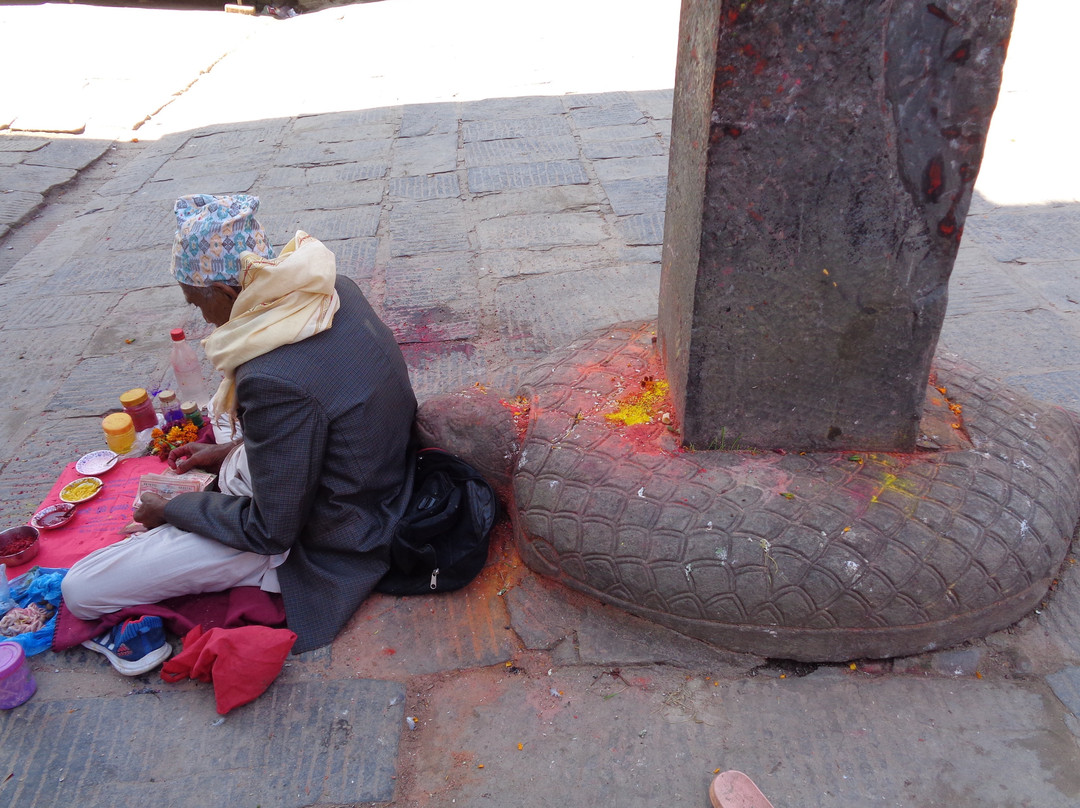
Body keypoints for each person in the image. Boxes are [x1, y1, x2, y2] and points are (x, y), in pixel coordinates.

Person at [62, 194, 417, 675]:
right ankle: (219, 484)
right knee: (220, 465)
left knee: (80, 589)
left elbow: (268, 531)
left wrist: (172, 509)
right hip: (377, 478)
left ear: (229, 294)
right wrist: (228, 451)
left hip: (328, 534)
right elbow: (323, 412)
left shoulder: (272, 378)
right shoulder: (333, 289)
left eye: (198, 302)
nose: (202, 319)